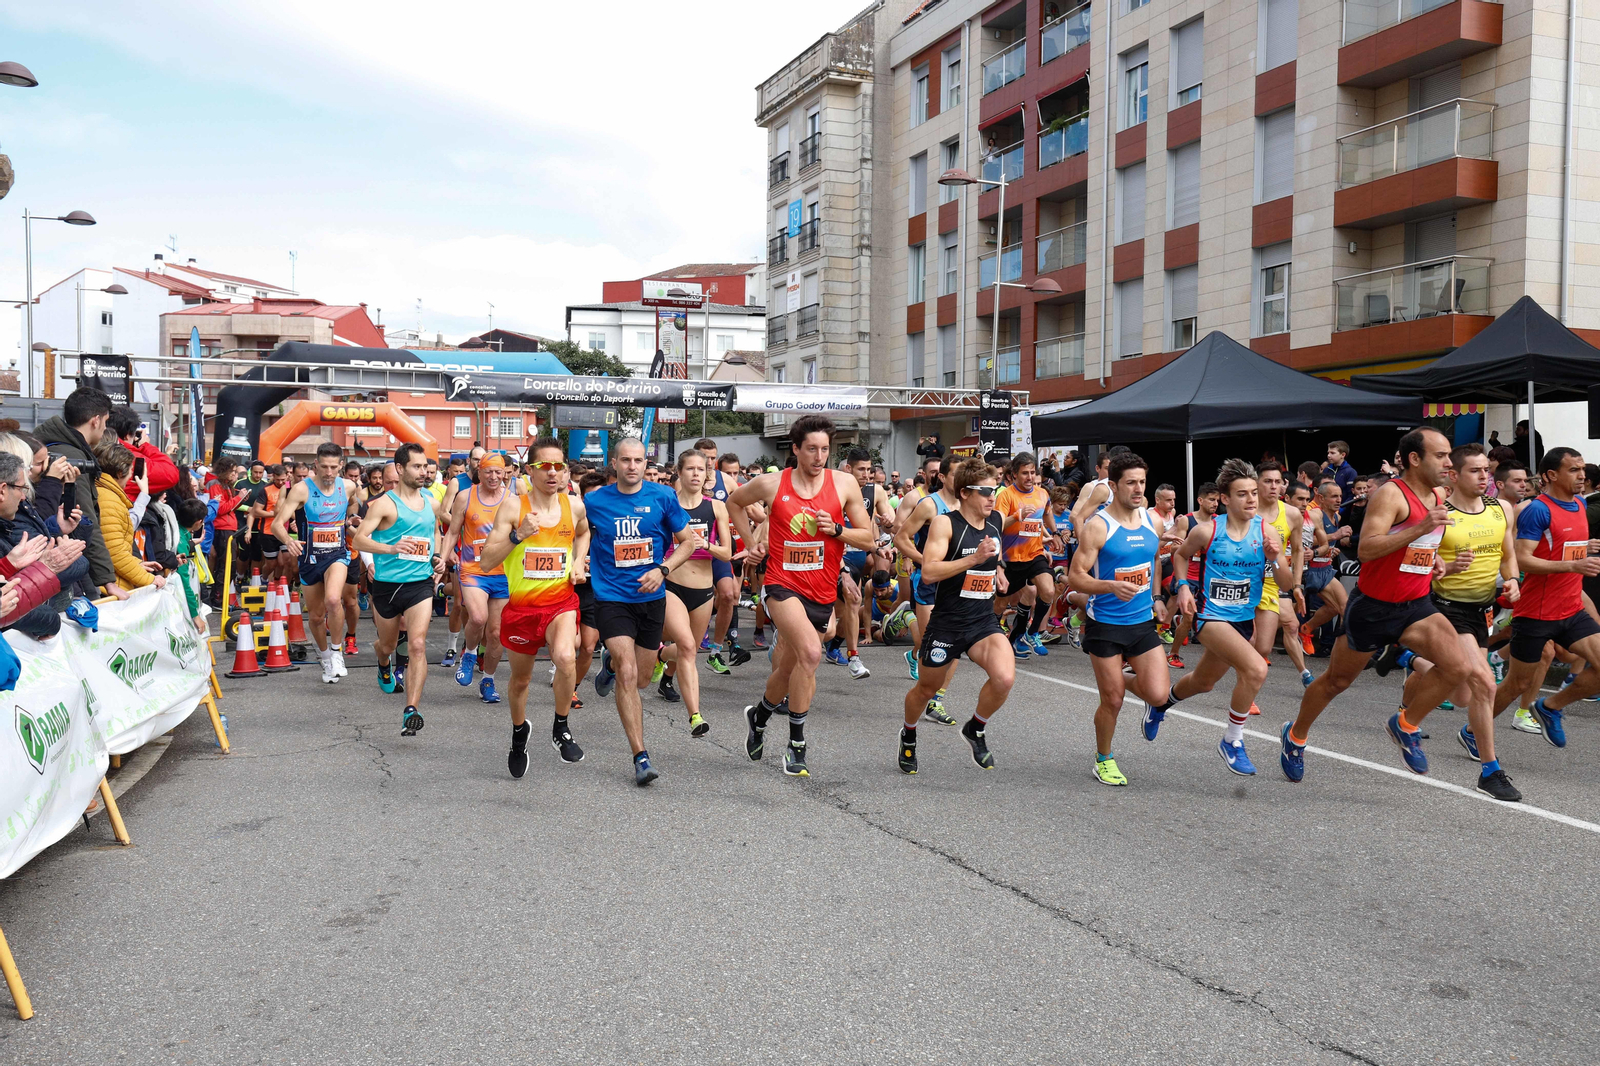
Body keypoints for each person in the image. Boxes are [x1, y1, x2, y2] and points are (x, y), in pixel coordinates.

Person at [1282, 428, 1476, 783]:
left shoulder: (1436, 494)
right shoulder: (1390, 495)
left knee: (1459, 668)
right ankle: (1295, 736)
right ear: (1415, 459)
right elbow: (1367, 548)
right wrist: (1419, 530)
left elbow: (1418, 546)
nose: (1449, 463)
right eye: (1441, 455)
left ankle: (1405, 724)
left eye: (1449, 455)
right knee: (1336, 682)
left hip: (1416, 604)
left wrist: (1434, 561)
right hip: (1373, 607)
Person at [728, 415, 876, 778]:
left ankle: (759, 715)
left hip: (822, 589)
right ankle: (796, 745)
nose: (819, 456)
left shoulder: (843, 484)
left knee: (792, 665)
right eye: (811, 448)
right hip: (781, 584)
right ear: (795, 449)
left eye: (825, 449)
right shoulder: (771, 483)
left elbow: (868, 537)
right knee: (812, 652)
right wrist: (752, 545)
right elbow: (734, 503)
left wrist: (837, 529)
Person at [1387, 444, 1521, 800]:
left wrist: (1512, 581)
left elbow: (1507, 554)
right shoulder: (1438, 513)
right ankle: (1490, 772)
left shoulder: (1501, 509)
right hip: (1443, 607)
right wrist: (1442, 573)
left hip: (1480, 611)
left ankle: (1408, 658)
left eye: (1486, 472)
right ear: (1454, 475)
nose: (1483, 478)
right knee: (1484, 684)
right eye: (1475, 471)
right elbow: (1414, 567)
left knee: (1462, 694)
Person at [1166, 460, 1294, 775]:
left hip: (1242, 618)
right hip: (1208, 616)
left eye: (1254, 492)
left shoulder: (1265, 531)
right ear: (1225, 498)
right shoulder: (1207, 530)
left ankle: (1160, 704)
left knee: (1203, 682)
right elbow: (1180, 556)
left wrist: (1275, 559)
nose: (1251, 500)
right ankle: (1232, 740)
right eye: (1242, 494)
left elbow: (1288, 584)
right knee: (1254, 669)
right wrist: (1182, 587)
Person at [583, 438, 699, 786]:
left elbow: (688, 542)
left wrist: (663, 570)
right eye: (626, 460)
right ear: (614, 463)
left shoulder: (662, 497)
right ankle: (640, 755)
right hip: (611, 598)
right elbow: (574, 535)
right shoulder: (594, 501)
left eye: (638, 461)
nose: (633, 466)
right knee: (630, 673)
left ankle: (610, 665)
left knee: (643, 679)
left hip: (651, 598)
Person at [479, 437, 591, 778]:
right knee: (520, 681)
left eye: (559, 466)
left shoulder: (575, 506)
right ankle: (518, 733)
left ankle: (561, 726)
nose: (553, 473)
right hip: (522, 609)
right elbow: (485, 562)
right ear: (530, 471)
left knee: (566, 656)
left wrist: (578, 561)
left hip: (561, 602)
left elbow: (584, 534)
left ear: (567, 471)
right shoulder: (514, 507)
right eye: (545, 466)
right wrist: (518, 536)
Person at [899, 457, 1015, 775]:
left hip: (982, 621)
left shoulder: (996, 521)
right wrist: (973, 559)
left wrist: (998, 570)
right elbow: (931, 572)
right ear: (965, 493)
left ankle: (975, 728)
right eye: (984, 491)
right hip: (947, 622)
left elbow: (994, 554)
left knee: (1004, 678)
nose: (992, 497)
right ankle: (908, 733)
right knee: (926, 689)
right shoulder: (945, 523)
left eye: (995, 490)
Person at [1068, 451, 1177, 786]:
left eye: (1142, 482)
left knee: (1159, 695)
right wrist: (1110, 586)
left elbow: (1153, 562)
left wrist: (1158, 597)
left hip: (1142, 622)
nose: (1138, 489)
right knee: (1112, 699)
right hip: (1105, 624)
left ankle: (1119, 679)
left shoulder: (1152, 522)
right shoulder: (1098, 527)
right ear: (1113, 485)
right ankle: (1104, 759)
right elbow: (1075, 576)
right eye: (1131, 482)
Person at [1489, 447, 1600, 749]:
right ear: (1552, 475)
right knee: (1518, 684)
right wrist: (1573, 564)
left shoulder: (1578, 504)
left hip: (1571, 609)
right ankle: (1474, 732)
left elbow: (1559, 546)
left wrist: (1583, 547)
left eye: (1583, 469)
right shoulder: (1538, 509)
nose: (1583, 475)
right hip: (1537, 613)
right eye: (1574, 470)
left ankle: (1549, 707)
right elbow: (1523, 559)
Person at [352, 443, 445, 737]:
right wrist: (390, 548)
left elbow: (435, 532)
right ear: (401, 469)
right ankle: (383, 663)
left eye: (425, 467)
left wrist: (438, 557)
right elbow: (359, 541)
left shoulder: (430, 501)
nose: (424, 472)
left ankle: (411, 710)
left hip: (420, 584)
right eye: (417, 467)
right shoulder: (383, 504)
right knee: (389, 646)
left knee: (417, 645)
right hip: (386, 587)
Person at [654, 448, 732, 736]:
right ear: (679, 472)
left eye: (701, 469)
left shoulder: (716, 508)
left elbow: (726, 553)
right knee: (687, 645)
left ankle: (662, 661)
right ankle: (695, 716)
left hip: (703, 590)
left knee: (689, 650)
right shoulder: (666, 503)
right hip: (672, 584)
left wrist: (705, 545)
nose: (696, 474)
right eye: (690, 469)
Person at [272, 442, 361, 684]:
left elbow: (354, 501)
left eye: (334, 467)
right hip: (309, 558)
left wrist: (349, 519)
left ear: (341, 466)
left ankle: (336, 652)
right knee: (316, 617)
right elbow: (276, 524)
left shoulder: (349, 486)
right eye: (324, 467)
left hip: (337, 554)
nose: (329, 472)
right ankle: (325, 657)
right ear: (316, 466)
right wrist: (288, 541)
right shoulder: (301, 490)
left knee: (334, 599)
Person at [890, 453, 962, 724]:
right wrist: (923, 561)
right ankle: (906, 616)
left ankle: (936, 700)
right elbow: (901, 537)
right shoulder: (930, 505)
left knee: (954, 644)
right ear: (942, 477)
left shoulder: (971, 504)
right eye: (957, 474)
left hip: (957, 584)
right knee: (930, 645)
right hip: (929, 582)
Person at [440, 453, 512, 703]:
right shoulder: (465, 496)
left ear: (505, 473)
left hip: (503, 573)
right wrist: (442, 557)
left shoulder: (512, 500)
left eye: (498, 472)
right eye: (488, 471)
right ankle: (469, 653)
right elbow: (453, 532)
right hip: (473, 570)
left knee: (495, 633)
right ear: (478, 472)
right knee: (478, 618)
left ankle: (488, 681)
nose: (493, 477)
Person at [35, 387, 118, 595]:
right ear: (96, 421)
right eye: (105, 422)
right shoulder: (70, 457)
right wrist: (108, 580)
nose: (104, 428)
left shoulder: (54, 447)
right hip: (66, 559)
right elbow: (85, 516)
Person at [827, 446, 892, 679]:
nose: (867, 474)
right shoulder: (833, 490)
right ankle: (849, 655)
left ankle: (839, 649)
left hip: (858, 558)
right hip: (834, 557)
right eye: (861, 470)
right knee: (846, 606)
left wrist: (887, 522)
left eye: (869, 470)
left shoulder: (875, 492)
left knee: (849, 610)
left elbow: (889, 524)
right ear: (848, 469)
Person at [995, 452, 1060, 659]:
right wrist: (1017, 516)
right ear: (1014, 474)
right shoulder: (1006, 495)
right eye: (1025, 473)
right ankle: (989, 635)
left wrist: (1055, 533)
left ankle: (1032, 633)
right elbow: (997, 524)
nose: (1030, 477)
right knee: (999, 604)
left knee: (1048, 591)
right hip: (1011, 558)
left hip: (1035, 554)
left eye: (1032, 472)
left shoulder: (1042, 494)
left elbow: (1047, 513)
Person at [1251, 461, 1311, 688]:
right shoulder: (1247, 508)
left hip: (1272, 582)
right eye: (1267, 481)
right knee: (1251, 639)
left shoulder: (1293, 514)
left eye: (1278, 482)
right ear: (1257, 483)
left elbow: (1297, 550)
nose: (1273, 486)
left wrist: (1297, 586)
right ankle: (1245, 688)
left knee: (1264, 647)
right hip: (1244, 581)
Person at [94, 442, 164, 592]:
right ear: (120, 472)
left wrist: (136, 564)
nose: (131, 475)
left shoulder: (107, 495)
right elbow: (115, 553)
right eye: (131, 470)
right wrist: (149, 579)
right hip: (112, 586)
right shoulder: (108, 501)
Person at [1166, 481, 1219, 667]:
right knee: (1189, 618)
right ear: (1200, 500)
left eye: (1217, 500)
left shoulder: (1218, 522)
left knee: (1212, 620)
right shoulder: (1186, 520)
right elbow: (1173, 548)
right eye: (1211, 500)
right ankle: (1173, 654)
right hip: (1187, 576)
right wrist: (1191, 546)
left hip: (1208, 578)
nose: (1215, 504)